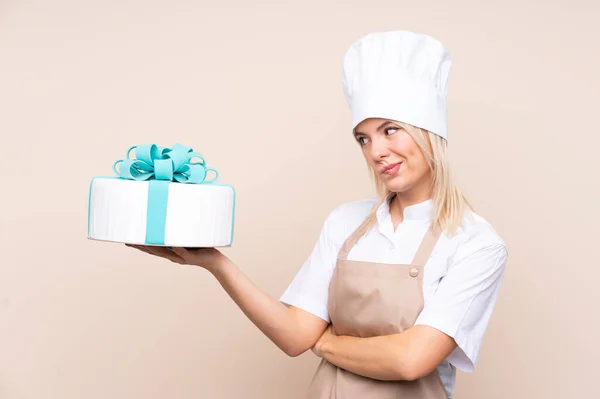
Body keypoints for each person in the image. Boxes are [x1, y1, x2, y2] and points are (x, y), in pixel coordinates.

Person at [128, 30, 508, 399]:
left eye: (390, 130)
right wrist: (216, 264)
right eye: (364, 138)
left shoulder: (476, 242)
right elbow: (295, 336)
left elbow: (411, 360)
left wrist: (324, 343)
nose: (376, 151)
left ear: (429, 132)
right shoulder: (345, 222)